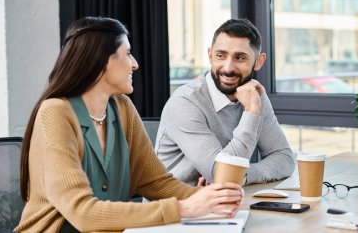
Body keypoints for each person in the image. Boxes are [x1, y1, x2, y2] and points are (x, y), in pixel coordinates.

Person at [15, 17, 243, 233]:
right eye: (128, 54)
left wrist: (211, 198)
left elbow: (156, 183)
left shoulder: (122, 108)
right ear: (101, 60)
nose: (134, 65)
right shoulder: (56, 112)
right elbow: (82, 213)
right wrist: (184, 209)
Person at [155, 18, 295, 186]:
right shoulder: (185, 101)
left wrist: (243, 175)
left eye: (240, 58)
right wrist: (251, 112)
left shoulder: (255, 97)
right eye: (220, 56)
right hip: (175, 209)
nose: (228, 68)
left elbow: (285, 159)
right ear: (210, 55)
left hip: (223, 204)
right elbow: (222, 175)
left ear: (258, 62)